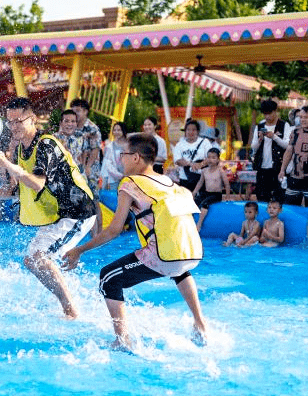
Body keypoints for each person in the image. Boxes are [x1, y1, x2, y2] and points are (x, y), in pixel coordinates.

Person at [61, 134, 207, 348]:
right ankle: (200, 324)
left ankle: (122, 340)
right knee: (178, 270)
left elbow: (114, 229)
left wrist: (80, 250)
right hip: (189, 255)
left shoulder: (129, 183)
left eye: (124, 155)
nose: (121, 159)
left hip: (163, 256)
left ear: (136, 158)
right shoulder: (168, 182)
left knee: (108, 278)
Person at [0, 97, 97, 319]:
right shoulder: (21, 150)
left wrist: (5, 163)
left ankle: (71, 311)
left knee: (39, 256)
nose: (14, 127)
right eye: (10, 122)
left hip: (77, 212)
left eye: (19, 121)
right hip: (57, 215)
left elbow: (37, 182)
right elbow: (15, 190)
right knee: (31, 260)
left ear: (34, 119)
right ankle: (68, 304)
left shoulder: (46, 143)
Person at [250, 99, 291, 202]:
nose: (267, 117)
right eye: (265, 114)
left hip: (278, 168)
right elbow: (253, 147)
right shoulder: (260, 126)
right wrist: (259, 140)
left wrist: (274, 137)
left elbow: (288, 145)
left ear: (275, 111)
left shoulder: (284, 125)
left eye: (270, 113)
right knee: (262, 197)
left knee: (278, 197)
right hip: (262, 168)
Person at [192, 148, 231, 232]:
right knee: (195, 201)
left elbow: (227, 184)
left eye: (213, 158)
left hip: (216, 194)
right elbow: (200, 182)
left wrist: (227, 197)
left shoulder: (220, 171)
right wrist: (194, 192)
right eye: (209, 157)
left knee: (205, 204)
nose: (210, 160)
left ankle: (199, 223)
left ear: (218, 160)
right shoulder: (204, 171)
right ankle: (190, 222)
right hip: (206, 193)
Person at [69, 98, 102, 192]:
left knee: (91, 199)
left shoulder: (92, 128)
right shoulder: (71, 127)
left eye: (78, 111)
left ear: (85, 112)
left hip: (89, 168)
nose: (75, 114)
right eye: (73, 111)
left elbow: (95, 149)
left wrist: (88, 167)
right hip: (74, 167)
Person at [174, 119, 211, 191]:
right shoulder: (179, 145)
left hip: (202, 178)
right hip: (185, 178)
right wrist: (190, 164)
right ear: (185, 131)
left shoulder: (205, 142)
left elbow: (210, 157)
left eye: (193, 130)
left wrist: (200, 164)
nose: (191, 132)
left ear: (197, 131)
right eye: (188, 130)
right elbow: (177, 160)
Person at [100, 122, 129, 190]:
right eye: (115, 130)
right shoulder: (110, 146)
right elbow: (108, 164)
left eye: (119, 130)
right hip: (113, 178)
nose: (116, 132)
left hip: (127, 177)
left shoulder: (129, 146)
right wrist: (120, 176)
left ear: (123, 131)